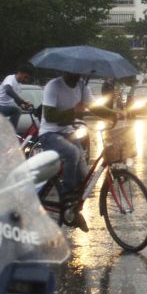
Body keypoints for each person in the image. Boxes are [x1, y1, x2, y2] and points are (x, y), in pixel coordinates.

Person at [39, 73, 119, 231]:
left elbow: (94, 106)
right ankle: (67, 196)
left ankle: (73, 211)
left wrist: (112, 113)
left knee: (84, 178)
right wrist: (73, 111)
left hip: (68, 132)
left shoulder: (82, 85)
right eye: (76, 73)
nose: (79, 76)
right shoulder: (53, 86)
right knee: (72, 154)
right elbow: (49, 116)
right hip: (49, 133)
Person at [0, 64, 34, 129]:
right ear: (19, 72)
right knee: (16, 111)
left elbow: (16, 100)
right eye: (25, 77)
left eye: (27, 78)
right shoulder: (10, 78)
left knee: (17, 111)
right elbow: (8, 90)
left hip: (2, 108)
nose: (25, 80)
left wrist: (24, 105)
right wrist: (22, 101)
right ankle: (11, 132)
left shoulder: (19, 85)